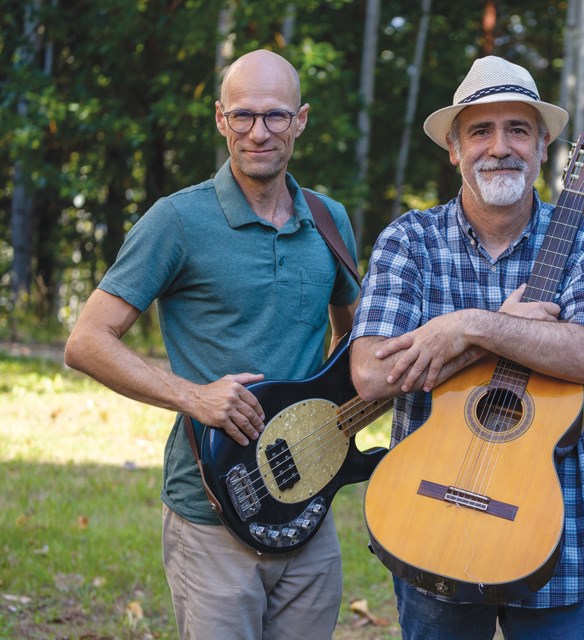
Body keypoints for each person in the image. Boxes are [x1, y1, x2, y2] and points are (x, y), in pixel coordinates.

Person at [63, 49, 359, 639]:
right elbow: (86, 341)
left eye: (275, 116)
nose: (259, 132)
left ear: (301, 120)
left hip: (310, 503)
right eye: (243, 116)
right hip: (213, 508)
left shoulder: (329, 220)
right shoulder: (176, 221)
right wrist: (194, 396)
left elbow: (355, 341)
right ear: (221, 119)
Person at [349, 55, 584, 639]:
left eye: (518, 129)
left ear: (544, 146)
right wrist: (503, 327)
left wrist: (471, 326)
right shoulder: (410, 240)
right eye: (481, 131)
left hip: (551, 532)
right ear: (454, 149)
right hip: (430, 521)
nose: (500, 147)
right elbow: (371, 376)